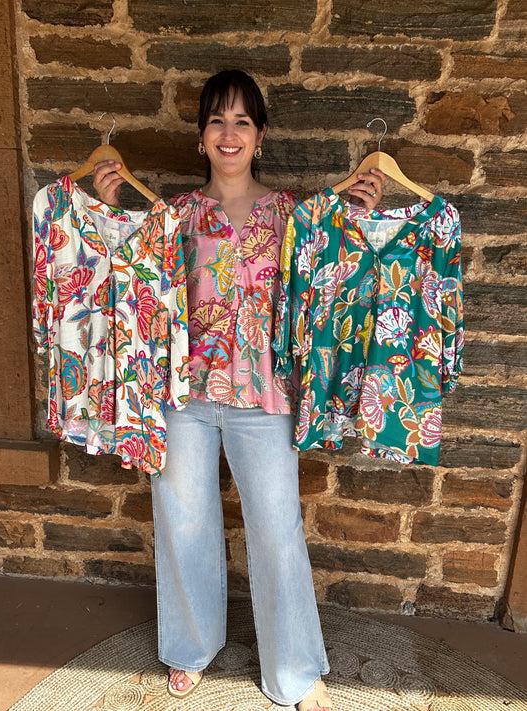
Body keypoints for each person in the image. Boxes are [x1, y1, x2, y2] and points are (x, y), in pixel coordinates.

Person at [93, 69, 385, 711]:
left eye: (242, 121)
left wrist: (357, 218)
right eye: (217, 121)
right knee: (184, 521)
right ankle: (192, 646)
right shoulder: (172, 217)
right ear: (200, 137)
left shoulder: (292, 216)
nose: (229, 134)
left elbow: (334, 277)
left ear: (260, 135)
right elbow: (125, 280)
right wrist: (110, 211)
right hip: (184, 399)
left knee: (277, 530)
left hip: (265, 399)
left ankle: (295, 672)